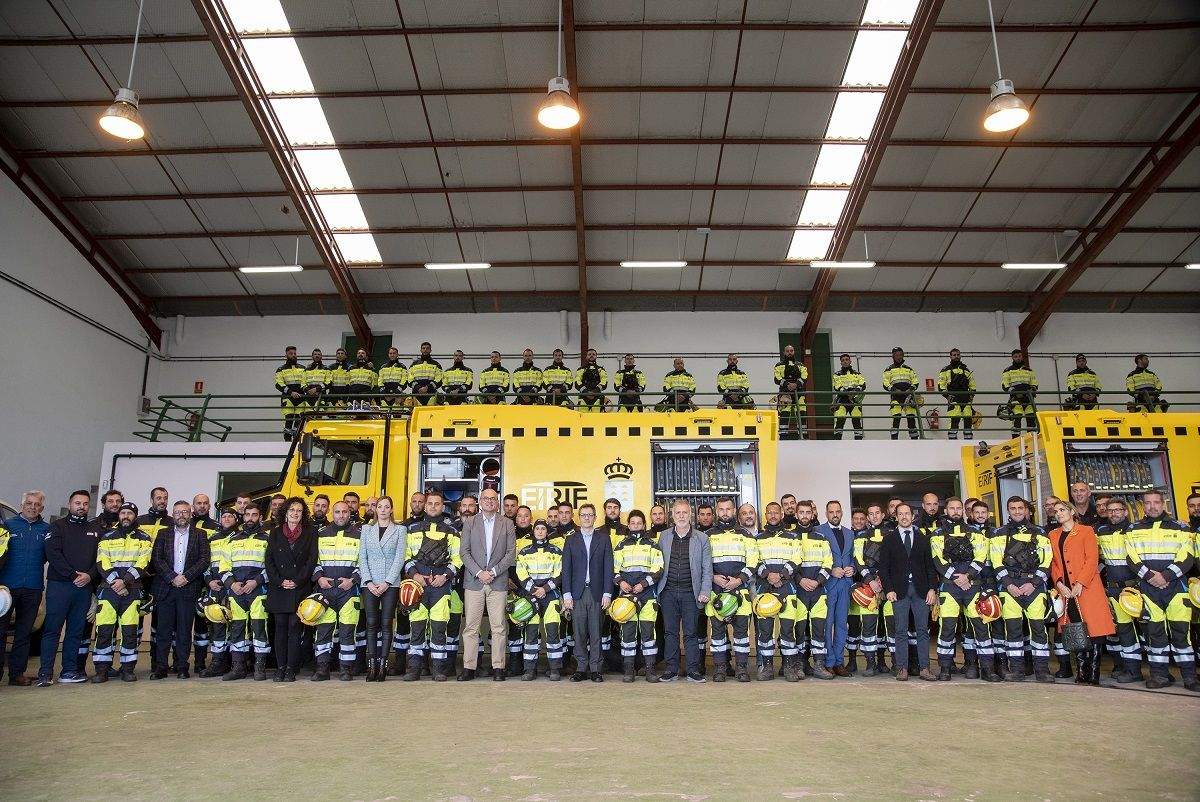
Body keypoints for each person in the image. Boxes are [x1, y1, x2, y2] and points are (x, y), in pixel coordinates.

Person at [1124, 490, 1197, 691]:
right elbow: (1131, 558)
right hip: (1148, 588)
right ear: (1143, 505)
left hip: (1176, 587)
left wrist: (1165, 576)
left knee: (1182, 632)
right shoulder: (1133, 529)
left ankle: (1190, 677)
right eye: (1148, 503)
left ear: (1163, 504)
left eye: (1156, 502)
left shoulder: (1181, 528)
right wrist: (1150, 577)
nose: (1152, 506)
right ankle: (1159, 675)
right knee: (1154, 634)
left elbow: (1187, 556)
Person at [1048, 499, 1116, 685]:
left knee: (1094, 630)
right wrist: (1060, 583)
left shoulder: (1086, 531)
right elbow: (1054, 562)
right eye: (1056, 511)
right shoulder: (1053, 535)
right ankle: (1081, 670)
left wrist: (1080, 582)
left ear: (1071, 512)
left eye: (1062, 510)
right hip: (1067, 590)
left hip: (1088, 588)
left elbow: (1092, 559)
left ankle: (1093, 672)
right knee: (1075, 630)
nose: (1059, 513)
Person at [929, 498, 996, 681]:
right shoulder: (938, 533)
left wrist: (968, 576)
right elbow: (938, 560)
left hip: (972, 586)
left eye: (959, 508)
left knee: (981, 628)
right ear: (946, 510)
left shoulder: (974, 532)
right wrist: (957, 578)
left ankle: (987, 668)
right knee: (947, 628)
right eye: (952, 508)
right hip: (949, 587)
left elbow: (981, 556)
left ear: (964, 511)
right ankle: (945, 668)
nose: (956, 511)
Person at [37, 490, 98, 686]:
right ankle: (45, 673)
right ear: (70, 504)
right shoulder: (57, 527)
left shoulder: (95, 529)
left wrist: (89, 576)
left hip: (84, 588)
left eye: (85, 503)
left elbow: (101, 558)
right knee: (52, 630)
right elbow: (52, 554)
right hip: (60, 586)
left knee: (75, 631)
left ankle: (69, 672)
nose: (81, 506)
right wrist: (73, 575)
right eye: (77, 503)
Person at [991, 496, 1053, 682]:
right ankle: (1016, 670)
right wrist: (1009, 584)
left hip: (1034, 587)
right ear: (1007, 510)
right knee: (1013, 631)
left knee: (1038, 629)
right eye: (1013, 508)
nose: (1017, 511)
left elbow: (1047, 560)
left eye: (1020, 508)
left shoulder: (1040, 532)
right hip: (1010, 589)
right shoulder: (998, 533)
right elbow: (996, 561)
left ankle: (1042, 671)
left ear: (1026, 510)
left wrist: (1033, 583)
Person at [402, 491, 462, 682]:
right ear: (425, 506)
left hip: (440, 586)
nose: (433, 507)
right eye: (430, 503)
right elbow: (406, 557)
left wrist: (445, 576)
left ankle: (439, 670)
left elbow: (458, 558)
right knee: (417, 628)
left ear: (443, 506)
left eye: (437, 504)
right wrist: (415, 575)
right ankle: (414, 669)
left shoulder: (452, 532)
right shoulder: (412, 530)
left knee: (438, 628)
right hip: (417, 586)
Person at [457, 488, 516, 681]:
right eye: (486, 498)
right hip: (474, 581)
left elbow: (510, 553)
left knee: (498, 626)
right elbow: (464, 552)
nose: (490, 501)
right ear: (480, 502)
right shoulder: (470, 523)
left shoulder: (507, 523)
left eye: (493, 499)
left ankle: (498, 667)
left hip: (497, 581)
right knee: (471, 627)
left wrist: (494, 572)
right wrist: (480, 572)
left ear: (497, 502)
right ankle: (469, 668)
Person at [150, 501, 210, 680]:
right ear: (173, 514)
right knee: (163, 631)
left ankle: (183, 666)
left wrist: (186, 577)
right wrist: (172, 577)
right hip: (166, 588)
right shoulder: (163, 534)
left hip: (188, 588)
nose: (181, 515)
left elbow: (204, 559)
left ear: (190, 513)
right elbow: (157, 559)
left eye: (184, 512)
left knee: (184, 631)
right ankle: (161, 666)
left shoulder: (200, 534)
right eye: (177, 512)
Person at [878, 503, 938, 680]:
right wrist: (888, 589)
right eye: (900, 514)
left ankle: (924, 668)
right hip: (899, 591)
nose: (904, 517)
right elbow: (883, 568)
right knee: (901, 631)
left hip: (921, 591)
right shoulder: (889, 539)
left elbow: (930, 567)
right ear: (896, 517)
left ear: (913, 516)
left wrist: (932, 589)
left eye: (907, 514)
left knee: (922, 631)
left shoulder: (922, 538)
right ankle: (902, 668)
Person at [656, 500, 713, 683]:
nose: (681, 516)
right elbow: (657, 564)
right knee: (670, 632)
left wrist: (705, 590)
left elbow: (707, 568)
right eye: (678, 513)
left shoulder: (702, 538)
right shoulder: (664, 537)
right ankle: (671, 669)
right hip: (668, 592)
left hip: (691, 592)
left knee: (691, 633)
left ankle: (692, 670)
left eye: (685, 512)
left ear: (691, 515)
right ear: (672, 516)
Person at [561, 504, 614, 682]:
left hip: (597, 592)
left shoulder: (604, 539)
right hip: (577, 593)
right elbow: (566, 569)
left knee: (596, 632)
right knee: (579, 632)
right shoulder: (571, 540)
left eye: (590, 515)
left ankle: (596, 669)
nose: (586, 518)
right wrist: (566, 594)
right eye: (583, 515)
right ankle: (581, 667)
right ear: (578, 517)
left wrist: (608, 592)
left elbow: (609, 568)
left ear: (595, 517)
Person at [218, 504, 271, 682]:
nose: (250, 518)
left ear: (260, 517)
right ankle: (238, 668)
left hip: (258, 591)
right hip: (236, 592)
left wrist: (256, 581)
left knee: (259, 629)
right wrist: (232, 585)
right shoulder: (232, 540)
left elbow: (272, 567)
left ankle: (259, 667)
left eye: (254, 515)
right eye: (247, 515)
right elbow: (223, 566)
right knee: (237, 629)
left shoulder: (267, 539)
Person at [266, 498, 316, 682]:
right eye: (292, 510)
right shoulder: (275, 533)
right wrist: (281, 581)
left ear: (303, 514)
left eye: (299, 511)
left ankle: (290, 669)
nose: (295, 513)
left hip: (299, 588)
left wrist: (296, 581)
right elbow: (269, 561)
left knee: (295, 628)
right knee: (279, 628)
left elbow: (311, 561)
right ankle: (280, 667)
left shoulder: (310, 533)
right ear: (285, 512)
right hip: (279, 588)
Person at [0, 494, 48, 685]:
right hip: (6, 589)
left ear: (42, 509)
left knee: (24, 632)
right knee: (0, 632)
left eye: (37, 505)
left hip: (33, 587)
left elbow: (47, 556)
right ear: (22, 505)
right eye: (29, 503)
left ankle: (16, 674)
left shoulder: (46, 530)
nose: (32, 507)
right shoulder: (8, 526)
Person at [704, 498, 754, 681]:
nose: (725, 512)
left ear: (734, 511)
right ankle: (720, 669)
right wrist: (712, 577)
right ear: (717, 512)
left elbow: (753, 561)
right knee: (717, 635)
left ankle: (741, 668)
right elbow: (702, 564)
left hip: (740, 591)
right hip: (716, 593)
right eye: (721, 509)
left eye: (728, 509)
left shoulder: (746, 535)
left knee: (741, 634)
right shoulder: (707, 535)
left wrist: (739, 580)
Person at [358, 496, 406, 682]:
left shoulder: (400, 530)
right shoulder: (366, 530)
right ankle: (372, 666)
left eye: (387, 507)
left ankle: (383, 666)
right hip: (369, 583)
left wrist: (386, 582)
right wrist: (369, 581)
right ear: (375, 510)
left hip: (390, 584)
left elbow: (399, 559)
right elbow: (362, 557)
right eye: (380, 507)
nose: (383, 510)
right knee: (371, 624)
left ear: (392, 510)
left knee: (386, 625)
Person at [311, 501, 361, 681]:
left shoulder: (359, 535)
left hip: (349, 590)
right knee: (323, 631)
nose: (341, 515)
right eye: (338, 512)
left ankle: (346, 669)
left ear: (350, 513)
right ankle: (322, 669)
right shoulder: (321, 534)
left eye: (345, 512)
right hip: (325, 590)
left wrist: (353, 580)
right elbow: (313, 562)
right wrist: (319, 578)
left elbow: (364, 563)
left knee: (348, 631)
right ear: (332, 514)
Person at [612, 510, 663, 683]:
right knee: (628, 634)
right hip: (626, 596)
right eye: (632, 523)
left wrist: (644, 584)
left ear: (644, 524)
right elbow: (614, 568)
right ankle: (629, 670)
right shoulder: (621, 545)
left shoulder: (653, 545)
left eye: (639, 523)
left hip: (647, 594)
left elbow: (658, 568)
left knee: (648, 633)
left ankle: (650, 670)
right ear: (628, 524)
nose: (635, 526)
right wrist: (621, 582)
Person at [753, 501, 800, 680]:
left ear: (781, 514)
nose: (773, 515)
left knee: (788, 630)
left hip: (787, 587)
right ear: (765, 515)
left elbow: (797, 558)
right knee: (765, 631)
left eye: (776, 512)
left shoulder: (793, 537)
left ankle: (788, 667)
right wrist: (768, 575)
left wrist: (780, 575)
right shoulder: (757, 539)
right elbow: (754, 560)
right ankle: (766, 667)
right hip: (764, 588)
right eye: (769, 513)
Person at [515, 520, 565, 680]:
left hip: (551, 597)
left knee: (552, 633)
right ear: (534, 531)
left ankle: (555, 669)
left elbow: (559, 574)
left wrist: (545, 589)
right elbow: (521, 573)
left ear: (547, 532)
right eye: (537, 528)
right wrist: (534, 590)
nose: (540, 531)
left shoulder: (556, 551)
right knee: (531, 634)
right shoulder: (524, 552)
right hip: (531, 598)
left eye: (543, 529)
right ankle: (529, 670)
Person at [792, 501, 834, 679]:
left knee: (819, 629)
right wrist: (800, 580)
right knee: (799, 630)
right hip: (798, 590)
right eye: (801, 512)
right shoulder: (790, 537)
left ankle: (818, 665)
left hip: (818, 590)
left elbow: (829, 563)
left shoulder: (822, 538)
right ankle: (801, 664)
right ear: (796, 514)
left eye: (807, 512)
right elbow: (788, 564)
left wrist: (817, 582)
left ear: (812, 514)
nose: (804, 515)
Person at [850, 504, 890, 676]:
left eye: (877, 513)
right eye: (871, 514)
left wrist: (882, 580)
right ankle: (870, 663)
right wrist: (870, 580)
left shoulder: (892, 535)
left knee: (886, 626)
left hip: (887, 587)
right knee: (868, 626)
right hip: (868, 586)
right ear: (868, 517)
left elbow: (893, 560)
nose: (874, 517)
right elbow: (858, 560)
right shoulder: (861, 537)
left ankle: (884, 662)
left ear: (883, 515)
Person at [199, 507, 237, 678]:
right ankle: (217, 662)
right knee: (217, 626)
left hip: (232, 587)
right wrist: (209, 581)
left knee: (235, 626)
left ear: (236, 519)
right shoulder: (212, 538)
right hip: (215, 587)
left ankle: (233, 662)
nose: (227, 519)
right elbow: (205, 564)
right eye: (224, 516)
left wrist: (231, 582)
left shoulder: (239, 537)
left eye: (231, 516)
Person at [818, 500, 853, 677]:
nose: (835, 515)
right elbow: (816, 559)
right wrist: (831, 571)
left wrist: (851, 568)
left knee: (841, 624)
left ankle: (839, 661)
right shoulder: (818, 531)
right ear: (826, 514)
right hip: (828, 584)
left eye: (838, 511)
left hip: (845, 584)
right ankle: (828, 661)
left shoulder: (849, 533)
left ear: (842, 512)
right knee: (827, 624)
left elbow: (853, 557)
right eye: (831, 512)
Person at [937, 348, 976, 441]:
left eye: (958, 354)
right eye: (954, 355)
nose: (956, 356)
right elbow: (941, 385)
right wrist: (947, 396)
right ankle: (952, 443)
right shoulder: (945, 370)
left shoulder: (966, 370)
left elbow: (972, 384)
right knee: (954, 421)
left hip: (965, 398)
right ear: (950, 356)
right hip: (953, 398)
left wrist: (971, 395)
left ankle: (968, 443)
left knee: (968, 421)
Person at [882, 347, 920, 440]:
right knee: (896, 417)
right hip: (896, 396)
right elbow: (885, 383)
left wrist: (910, 389)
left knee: (911, 418)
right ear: (893, 356)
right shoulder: (888, 369)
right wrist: (894, 389)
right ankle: (894, 440)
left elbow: (915, 381)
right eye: (896, 355)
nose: (899, 357)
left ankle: (915, 441)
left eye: (900, 355)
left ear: (903, 355)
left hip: (908, 396)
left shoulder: (909, 369)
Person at [1001, 349, 1038, 435]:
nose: (1018, 358)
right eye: (1016, 357)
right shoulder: (1008, 370)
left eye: (1019, 356)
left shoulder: (1029, 370)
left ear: (1022, 356)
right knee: (1017, 417)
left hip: (1028, 398)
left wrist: (1032, 390)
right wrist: (1015, 392)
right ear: (1012, 358)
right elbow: (1005, 385)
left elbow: (1034, 383)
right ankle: (1016, 441)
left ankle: (1031, 440)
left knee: (1031, 418)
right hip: (1015, 398)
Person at [774, 344, 807, 440]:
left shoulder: (801, 365)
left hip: (799, 393)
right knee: (784, 414)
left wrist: (796, 384)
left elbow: (805, 376)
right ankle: (783, 437)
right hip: (785, 393)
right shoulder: (779, 365)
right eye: (787, 351)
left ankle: (803, 436)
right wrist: (788, 385)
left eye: (791, 351)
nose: (789, 353)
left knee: (802, 414)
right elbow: (777, 378)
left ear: (794, 352)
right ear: (784, 352)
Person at [831, 353, 866, 441]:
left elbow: (863, 384)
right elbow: (837, 387)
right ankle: (837, 443)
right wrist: (848, 393)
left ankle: (859, 444)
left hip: (854, 400)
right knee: (840, 421)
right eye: (843, 360)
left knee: (857, 421)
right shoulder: (837, 374)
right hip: (842, 400)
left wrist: (855, 391)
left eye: (847, 360)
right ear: (841, 363)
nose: (845, 361)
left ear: (850, 361)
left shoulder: (858, 374)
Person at [275, 345, 306, 440]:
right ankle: (287, 445)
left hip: (300, 398)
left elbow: (305, 382)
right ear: (286, 355)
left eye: (295, 354)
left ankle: (296, 446)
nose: (293, 355)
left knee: (298, 424)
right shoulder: (281, 369)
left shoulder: (303, 368)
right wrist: (290, 392)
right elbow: (278, 384)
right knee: (288, 422)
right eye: (291, 354)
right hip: (288, 398)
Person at [409, 341, 443, 406]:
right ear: (420, 350)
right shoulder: (413, 364)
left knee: (431, 414)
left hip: (431, 394)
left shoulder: (436, 364)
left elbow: (439, 380)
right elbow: (410, 379)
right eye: (423, 348)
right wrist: (418, 387)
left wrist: (428, 388)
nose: (425, 350)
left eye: (427, 348)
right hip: (417, 394)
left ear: (430, 350)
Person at [378, 346, 409, 411]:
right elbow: (380, 380)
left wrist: (396, 393)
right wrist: (384, 393)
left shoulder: (402, 367)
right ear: (388, 355)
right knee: (384, 416)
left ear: (397, 355)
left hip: (397, 395)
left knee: (397, 416)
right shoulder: (383, 367)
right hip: (385, 396)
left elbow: (404, 380)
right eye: (390, 353)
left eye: (394, 353)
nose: (392, 355)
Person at [303, 348, 329, 412]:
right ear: (312, 356)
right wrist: (308, 390)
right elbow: (302, 383)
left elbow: (329, 382)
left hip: (321, 396)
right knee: (308, 418)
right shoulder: (307, 369)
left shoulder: (326, 369)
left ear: (321, 356)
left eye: (318, 354)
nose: (317, 356)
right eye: (315, 354)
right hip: (308, 397)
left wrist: (316, 389)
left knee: (318, 417)